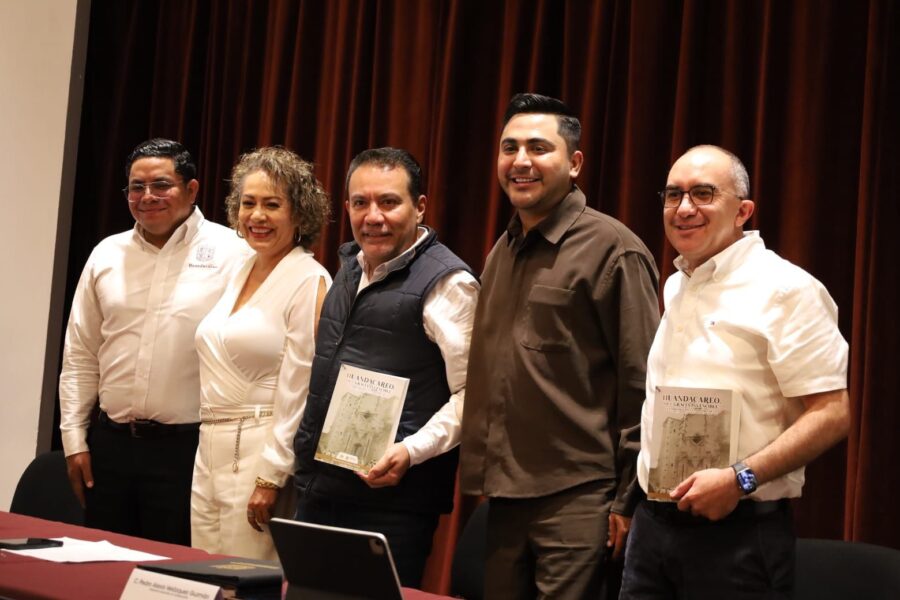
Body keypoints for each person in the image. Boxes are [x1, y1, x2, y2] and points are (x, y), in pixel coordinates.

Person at [619, 145, 851, 599]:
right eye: (673, 194)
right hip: (653, 527)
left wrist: (740, 478)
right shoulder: (677, 283)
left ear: (743, 211)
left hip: (739, 536)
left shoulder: (787, 289)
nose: (684, 208)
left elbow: (832, 413)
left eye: (703, 193)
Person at [459, 93, 661, 599]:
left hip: (579, 499)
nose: (520, 161)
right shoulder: (502, 250)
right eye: (509, 148)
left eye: (538, 147)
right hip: (504, 495)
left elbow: (643, 383)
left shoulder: (614, 249)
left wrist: (626, 500)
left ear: (574, 163)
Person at [292, 147, 479, 587]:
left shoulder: (450, 284)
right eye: (361, 202)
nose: (373, 216)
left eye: (389, 202)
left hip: (392, 504)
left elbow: (475, 395)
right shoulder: (347, 268)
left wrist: (410, 451)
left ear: (420, 206)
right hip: (320, 490)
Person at [59, 138, 249, 544]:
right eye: (136, 187)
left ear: (192, 189)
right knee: (102, 567)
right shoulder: (106, 254)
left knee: (173, 570)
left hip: (188, 450)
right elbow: (80, 355)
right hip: (109, 447)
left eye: (161, 185)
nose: (147, 197)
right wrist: (74, 440)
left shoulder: (235, 253)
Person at [190, 147, 332, 559]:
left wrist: (271, 476)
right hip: (208, 448)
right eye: (248, 203)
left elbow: (300, 389)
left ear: (300, 214)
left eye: (272, 205)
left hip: (259, 454)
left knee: (246, 578)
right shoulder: (241, 269)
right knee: (202, 574)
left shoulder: (308, 279)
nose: (257, 216)